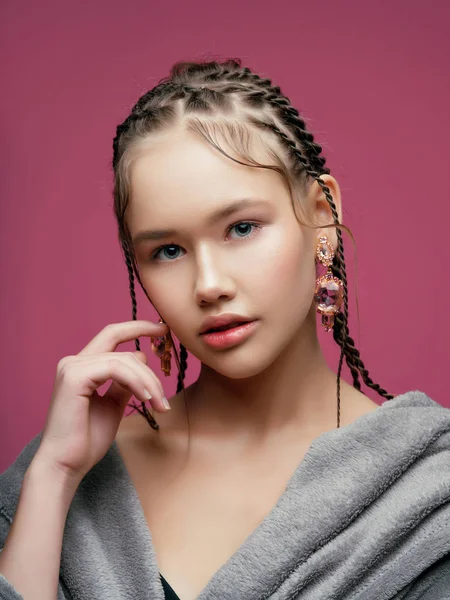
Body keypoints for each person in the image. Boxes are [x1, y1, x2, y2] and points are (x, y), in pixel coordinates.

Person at [1, 58, 449, 600]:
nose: (209, 285)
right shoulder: (64, 473)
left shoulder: (428, 492)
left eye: (241, 228)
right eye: (168, 250)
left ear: (322, 216)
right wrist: (53, 477)